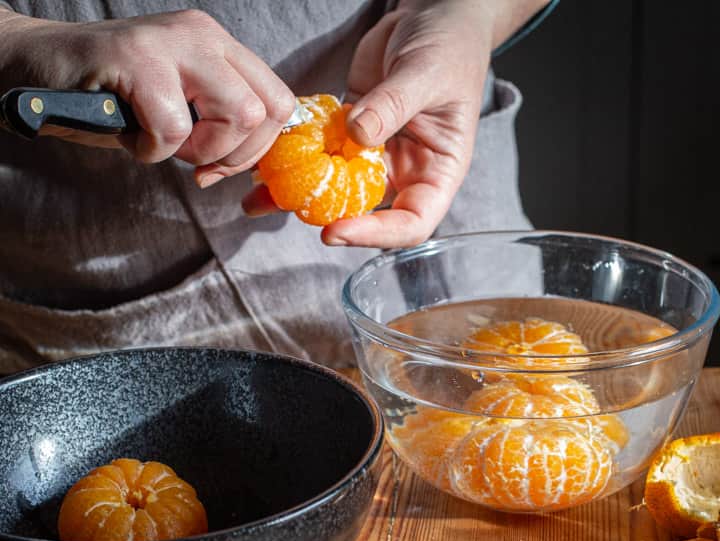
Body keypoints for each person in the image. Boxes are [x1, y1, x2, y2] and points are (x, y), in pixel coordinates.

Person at [0, 0, 552, 375]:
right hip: (118, 296)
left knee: (520, 405)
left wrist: (463, 16)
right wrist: (18, 41)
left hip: (418, 151)